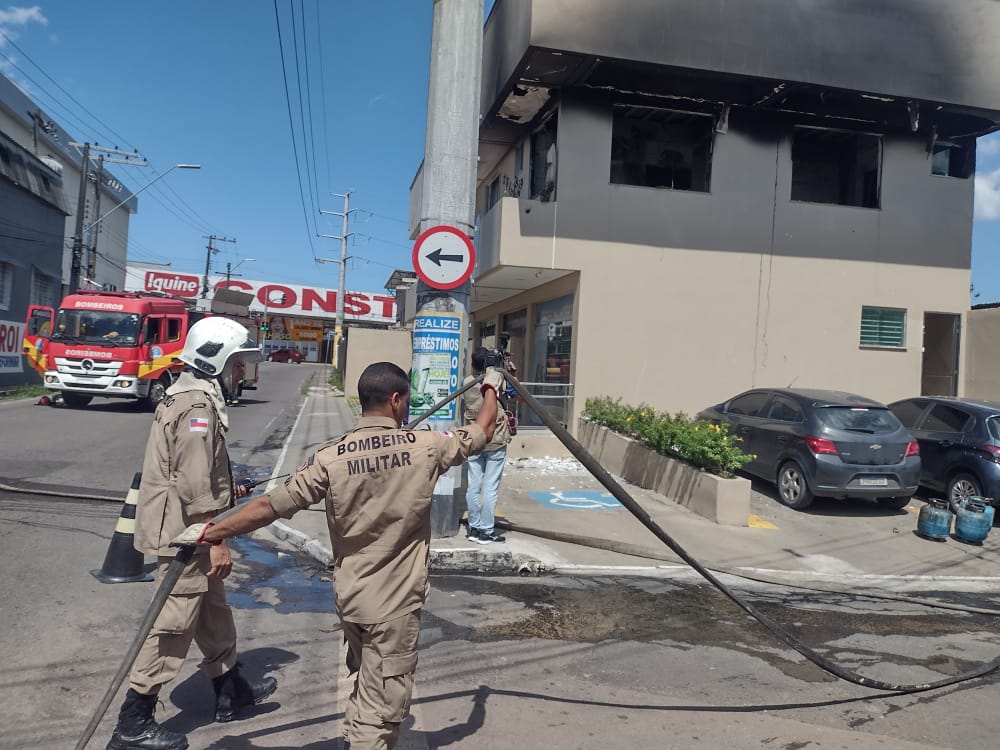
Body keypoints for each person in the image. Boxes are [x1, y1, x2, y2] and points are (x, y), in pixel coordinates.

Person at [170, 361, 505, 750]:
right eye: (406, 401)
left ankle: (356, 737)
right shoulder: (427, 446)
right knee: (382, 709)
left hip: (352, 602)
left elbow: (272, 506)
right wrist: (491, 388)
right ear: (396, 400)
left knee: (367, 682)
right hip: (393, 607)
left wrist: (211, 531)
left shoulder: (331, 458)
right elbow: (483, 429)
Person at [106, 317, 276, 750]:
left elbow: (199, 470)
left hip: (191, 527)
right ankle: (133, 723)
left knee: (212, 610)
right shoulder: (198, 406)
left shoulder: (190, 394)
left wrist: (228, 488)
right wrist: (216, 538)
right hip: (187, 536)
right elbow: (194, 482)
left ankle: (229, 691)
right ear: (215, 358)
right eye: (236, 363)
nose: (240, 372)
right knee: (173, 625)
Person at [463, 347, 516, 544]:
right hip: (495, 440)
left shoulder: (466, 383)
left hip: (474, 439)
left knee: (473, 486)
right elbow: (517, 395)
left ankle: (473, 528)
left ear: (473, 364)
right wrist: (510, 374)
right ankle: (486, 531)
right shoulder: (497, 380)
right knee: (490, 488)